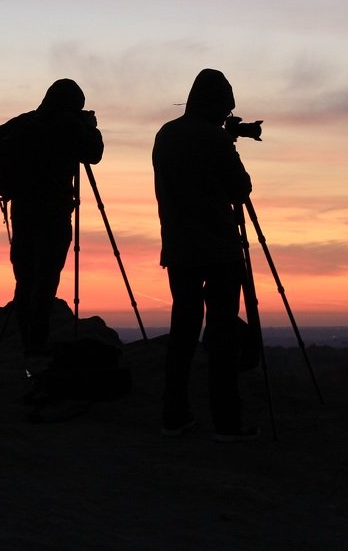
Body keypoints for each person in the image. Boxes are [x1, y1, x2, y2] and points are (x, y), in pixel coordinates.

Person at [152, 68, 257, 442]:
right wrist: (227, 142)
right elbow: (240, 188)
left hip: (179, 248)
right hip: (219, 248)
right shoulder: (214, 139)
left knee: (182, 332)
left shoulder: (165, 134)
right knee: (222, 334)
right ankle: (227, 423)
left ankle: (174, 417)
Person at [10, 79, 103, 357]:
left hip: (22, 211)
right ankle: (38, 343)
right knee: (46, 278)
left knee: (25, 278)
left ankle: (28, 341)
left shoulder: (23, 123)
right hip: (52, 211)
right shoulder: (68, 124)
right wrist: (90, 128)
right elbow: (94, 154)